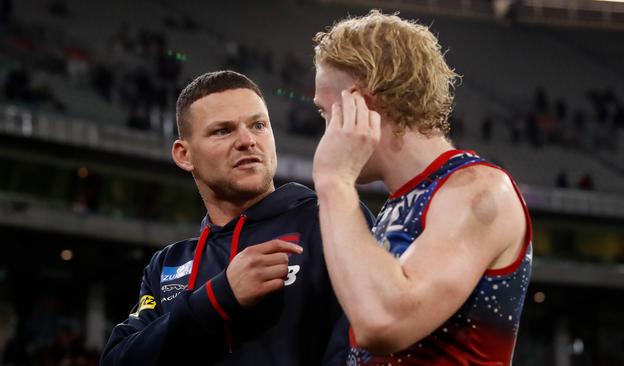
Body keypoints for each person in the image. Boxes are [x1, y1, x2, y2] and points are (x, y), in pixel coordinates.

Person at [101, 71, 371, 365]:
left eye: (258, 125)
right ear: (184, 154)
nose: (247, 140)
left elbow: (367, 344)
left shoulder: (329, 220)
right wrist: (219, 297)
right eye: (223, 130)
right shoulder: (167, 266)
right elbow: (117, 359)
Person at [311, 10, 532, 365]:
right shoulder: (408, 199)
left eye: (326, 113)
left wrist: (334, 182)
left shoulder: (480, 190)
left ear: (363, 103)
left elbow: (382, 322)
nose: (325, 130)